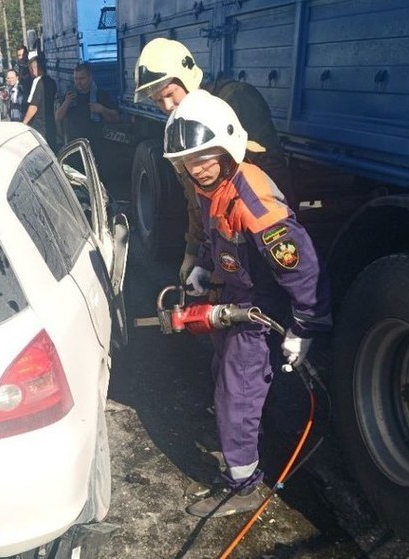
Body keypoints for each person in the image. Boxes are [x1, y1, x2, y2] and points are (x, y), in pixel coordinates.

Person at [163, 89, 331, 517]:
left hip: (259, 310)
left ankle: (242, 485)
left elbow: (301, 267)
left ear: (227, 147)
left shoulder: (254, 201)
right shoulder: (211, 185)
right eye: (188, 161)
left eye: (205, 158)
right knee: (237, 379)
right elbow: (214, 234)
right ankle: (277, 438)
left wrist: (306, 326)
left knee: (235, 393)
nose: (196, 169)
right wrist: (204, 266)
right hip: (235, 297)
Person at [134, 38, 295, 283]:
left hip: (259, 236)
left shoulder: (236, 101)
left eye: (170, 94)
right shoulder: (180, 127)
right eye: (158, 100)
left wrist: (271, 242)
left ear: (186, 77)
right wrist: (195, 254)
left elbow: (272, 174)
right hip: (227, 246)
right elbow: (195, 197)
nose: (167, 106)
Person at [55, 62, 119, 169]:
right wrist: (66, 103)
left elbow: (116, 118)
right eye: (76, 78)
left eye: (82, 78)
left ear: (90, 77)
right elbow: (58, 117)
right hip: (74, 151)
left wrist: (102, 109)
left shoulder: (100, 95)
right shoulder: (70, 96)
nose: (78, 82)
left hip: (95, 150)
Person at [22, 52, 57, 151]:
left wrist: (24, 123)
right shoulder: (52, 81)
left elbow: (33, 106)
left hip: (39, 126)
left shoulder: (37, 81)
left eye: (30, 69)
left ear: (34, 69)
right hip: (51, 125)